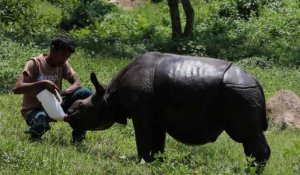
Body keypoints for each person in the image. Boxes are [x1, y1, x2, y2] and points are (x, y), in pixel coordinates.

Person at [13, 35, 93, 143]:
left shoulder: (63, 64)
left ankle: (79, 136)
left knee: (86, 93)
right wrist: (41, 84)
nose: (64, 59)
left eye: (67, 57)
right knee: (40, 123)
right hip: (35, 108)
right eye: (62, 55)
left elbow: (77, 83)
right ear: (52, 49)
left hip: (56, 104)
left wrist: (63, 93)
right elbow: (17, 88)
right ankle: (34, 136)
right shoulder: (35, 64)